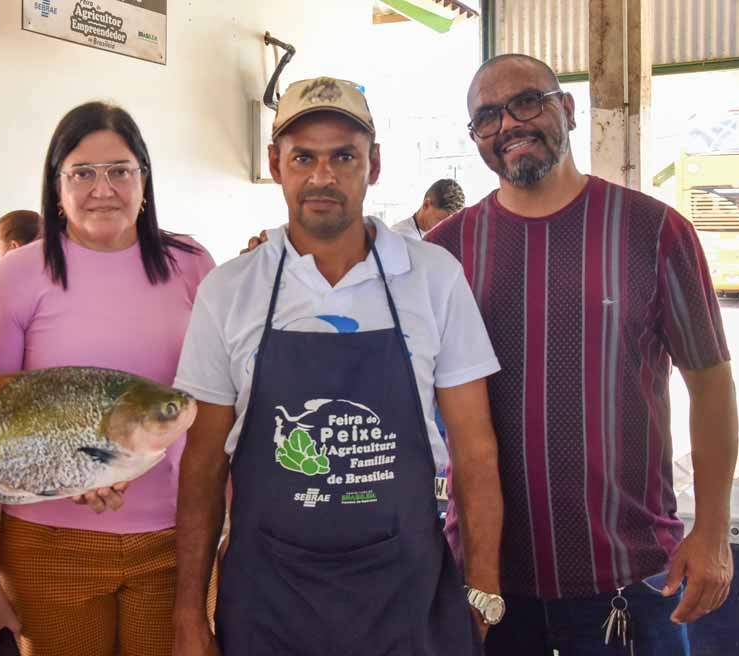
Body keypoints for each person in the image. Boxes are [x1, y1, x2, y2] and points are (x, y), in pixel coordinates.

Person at [172, 76, 505, 656]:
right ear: (277, 165)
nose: (322, 175)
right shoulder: (229, 290)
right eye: (303, 156)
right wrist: (187, 612)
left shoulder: (433, 279)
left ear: (373, 166)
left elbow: (475, 449)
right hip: (267, 602)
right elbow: (203, 462)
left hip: (407, 596)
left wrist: (482, 587)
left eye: (343, 156)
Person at [425, 53, 738, 655]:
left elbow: (711, 385)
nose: (508, 123)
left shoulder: (655, 231)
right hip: (486, 585)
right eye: (486, 117)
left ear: (566, 108)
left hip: (630, 578)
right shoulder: (445, 253)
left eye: (527, 101)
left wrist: (713, 529)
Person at [0, 102, 215, 656]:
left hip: (174, 538)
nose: (102, 188)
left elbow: (217, 404)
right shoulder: (17, 276)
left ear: (144, 179)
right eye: (82, 172)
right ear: (56, 185)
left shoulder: (192, 264)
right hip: (47, 544)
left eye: (119, 170)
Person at [391, 178, 465, 240]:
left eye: (449, 225)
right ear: (426, 205)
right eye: (441, 221)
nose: (445, 229)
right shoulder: (401, 237)